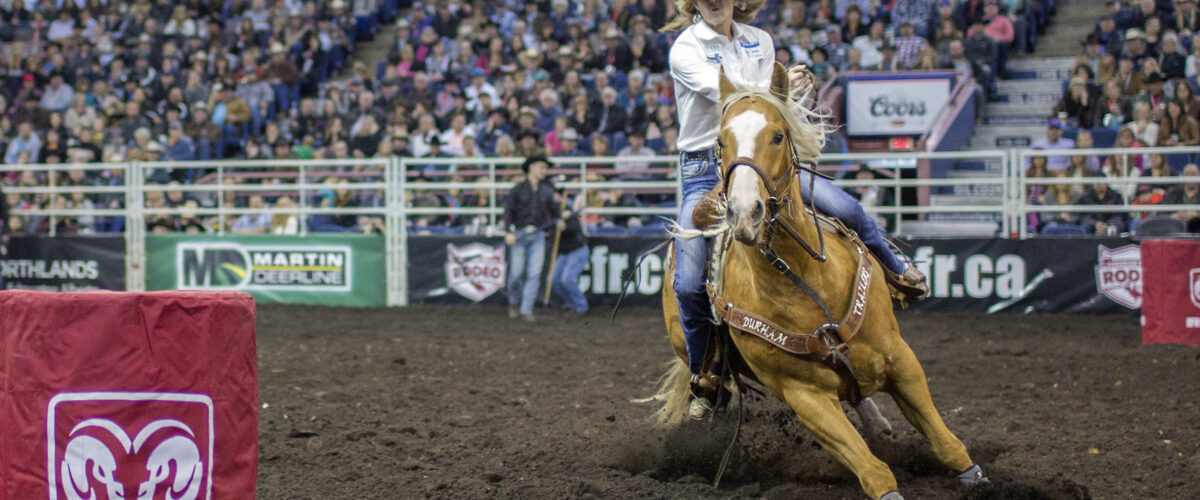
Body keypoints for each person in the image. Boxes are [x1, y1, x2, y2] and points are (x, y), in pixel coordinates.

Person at [663, 0, 927, 422]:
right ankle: (704, 374)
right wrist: (786, 86)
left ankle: (897, 271)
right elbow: (732, 96)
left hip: (765, 162)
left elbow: (767, 110)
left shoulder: (759, 42)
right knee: (690, 280)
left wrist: (788, 90)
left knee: (848, 209)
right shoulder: (685, 47)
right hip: (705, 167)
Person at [503, 155, 557, 323]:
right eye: (542, 167)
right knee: (516, 274)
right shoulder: (518, 189)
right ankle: (514, 302)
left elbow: (556, 211)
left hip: (538, 235)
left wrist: (560, 218)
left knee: (534, 273)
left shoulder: (548, 190)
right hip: (519, 234)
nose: (544, 171)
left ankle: (526, 310)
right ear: (532, 167)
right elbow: (507, 211)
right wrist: (508, 231)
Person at [549, 192, 589, 315]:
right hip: (564, 253)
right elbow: (550, 232)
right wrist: (555, 227)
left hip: (577, 251)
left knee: (567, 280)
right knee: (554, 281)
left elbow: (574, 228)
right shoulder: (552, 215)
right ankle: (572, 303)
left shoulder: (569, 213)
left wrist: (565, 226)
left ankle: (581, 306)